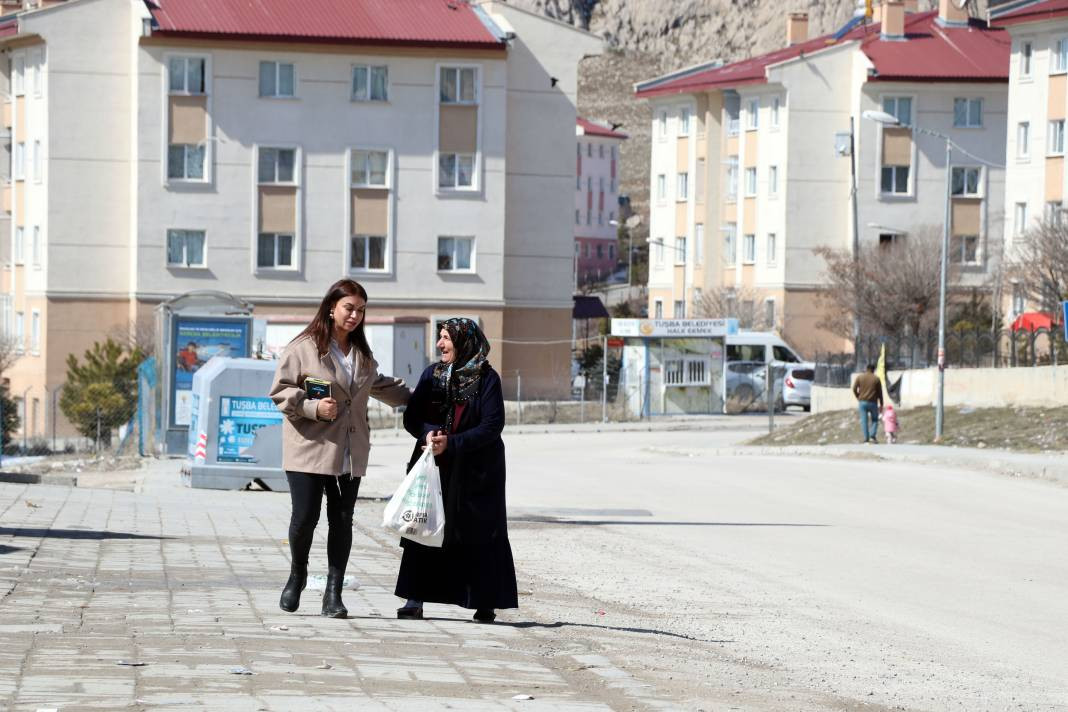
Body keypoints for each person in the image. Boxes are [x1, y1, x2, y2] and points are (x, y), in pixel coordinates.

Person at [269, 279, 410, 618]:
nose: (355, 316)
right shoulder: (303, 348)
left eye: (361, 310)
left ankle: (333, 593)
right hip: (309, 447)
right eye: (349, 308)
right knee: (305, 518)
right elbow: (281, 391)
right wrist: (314, 408)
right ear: (332, 308)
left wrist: (428, 394)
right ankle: (297, 574)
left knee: (342, 520)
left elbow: (378, 386)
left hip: (350, 450)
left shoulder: (362, 355)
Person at [394, 318, 518, 623]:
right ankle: (415, 598)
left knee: (478, 533)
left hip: (478, 471)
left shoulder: (488, 379)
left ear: (465, 342)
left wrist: (453, 442)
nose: (440, 344)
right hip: (435, 466)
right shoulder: (432, 375)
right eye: (440, 337)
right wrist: (429, 435)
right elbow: (413, 418)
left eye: (446, 337)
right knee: (425, 527)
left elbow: (492, 425)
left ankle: (484, 601)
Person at [852, 364, 884, 444]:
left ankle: (866, 438)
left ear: (866, 369)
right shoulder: (876, 379)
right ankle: (872, 436)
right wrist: (881, 404)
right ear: (874, 370)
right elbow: (880, 393)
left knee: (864, 420)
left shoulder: (860, 377)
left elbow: (854, 388)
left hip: (862, 402)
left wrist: (858, 396)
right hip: (873, 402)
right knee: (875, 419)